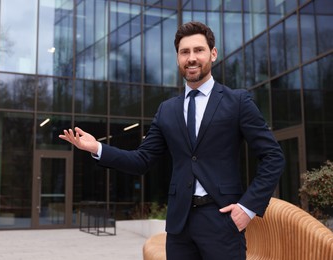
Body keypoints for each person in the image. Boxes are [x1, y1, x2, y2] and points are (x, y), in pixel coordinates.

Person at [59, 21, 285, 260]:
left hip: (223, 222)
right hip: (179, 227)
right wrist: (97, 148)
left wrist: (247, 209)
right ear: (177, 58)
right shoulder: (167, 110)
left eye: (198, 50)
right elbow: (142, 160)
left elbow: (273, 156)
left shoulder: (238, 102)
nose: (191, 58)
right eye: (184, 52)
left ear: (213, 53)